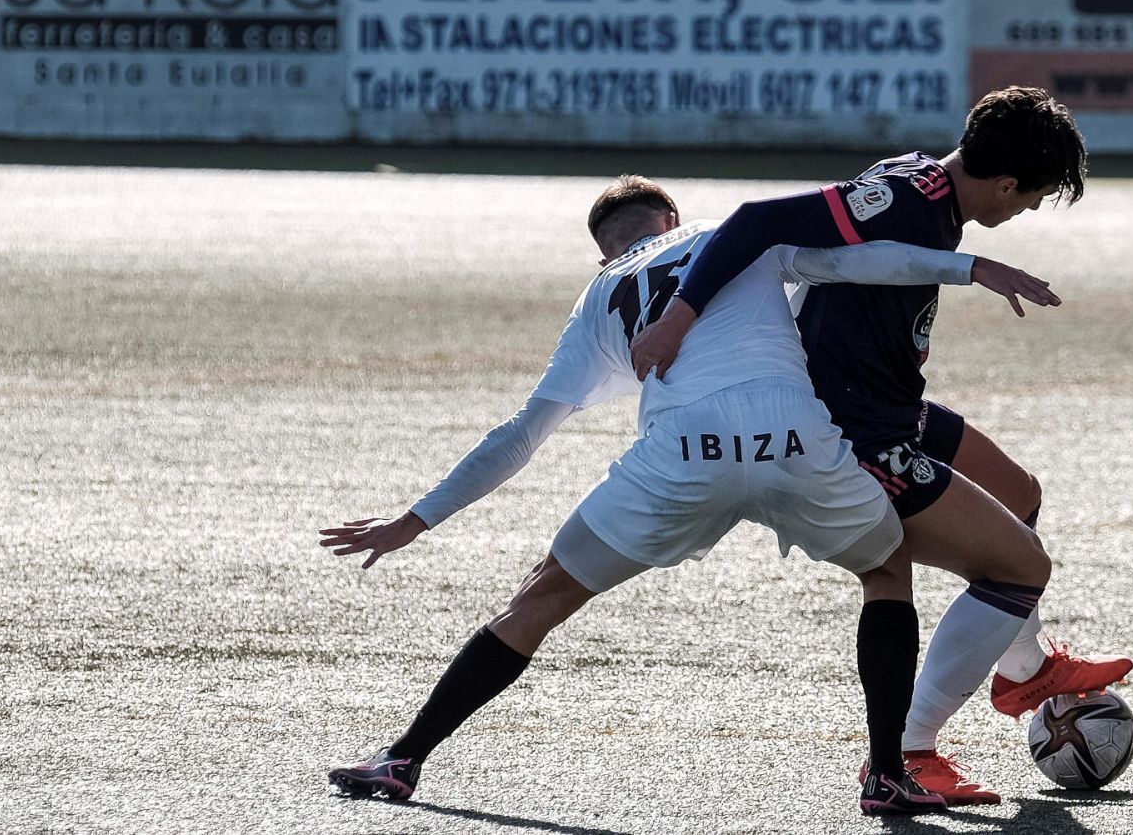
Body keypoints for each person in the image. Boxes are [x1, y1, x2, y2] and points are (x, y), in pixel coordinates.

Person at [319, 176, 1063, 815]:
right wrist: (970, 268)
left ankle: (402, 758)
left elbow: (519, 437)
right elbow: (867, 262)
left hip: (683, 455)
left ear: (606, 249)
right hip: (794, 438)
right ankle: (890, 776)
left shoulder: (598, 297)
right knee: (884, 566)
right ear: (671, 223)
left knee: (538, 598)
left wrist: (416, 519)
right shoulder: (723, 238)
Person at [629, 86, 1133, 804]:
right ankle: (913, 751)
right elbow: (753, 223)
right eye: (1030, 199)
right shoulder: (904, 200)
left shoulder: (923, 180)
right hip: (849, 430)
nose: (1023, 212)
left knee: (1020, 493)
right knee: (1019, 569)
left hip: (889, 405)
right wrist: (680, 319)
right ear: (1006, 183)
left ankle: (1026, 671)